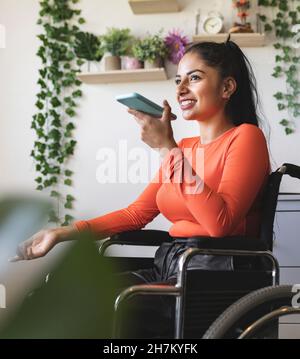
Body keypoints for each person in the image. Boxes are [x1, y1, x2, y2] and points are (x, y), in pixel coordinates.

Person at [12, 38, 271, 337]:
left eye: (194, 77)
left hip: (211, 273)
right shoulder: (184, 148)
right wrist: (61, 233)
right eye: (178, 80)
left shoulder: (245, 138)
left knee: (89, 309)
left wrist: (166, 149)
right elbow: (137, 213)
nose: (181, 89)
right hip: (170, 265)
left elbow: (219, 224)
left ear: (226, 88)